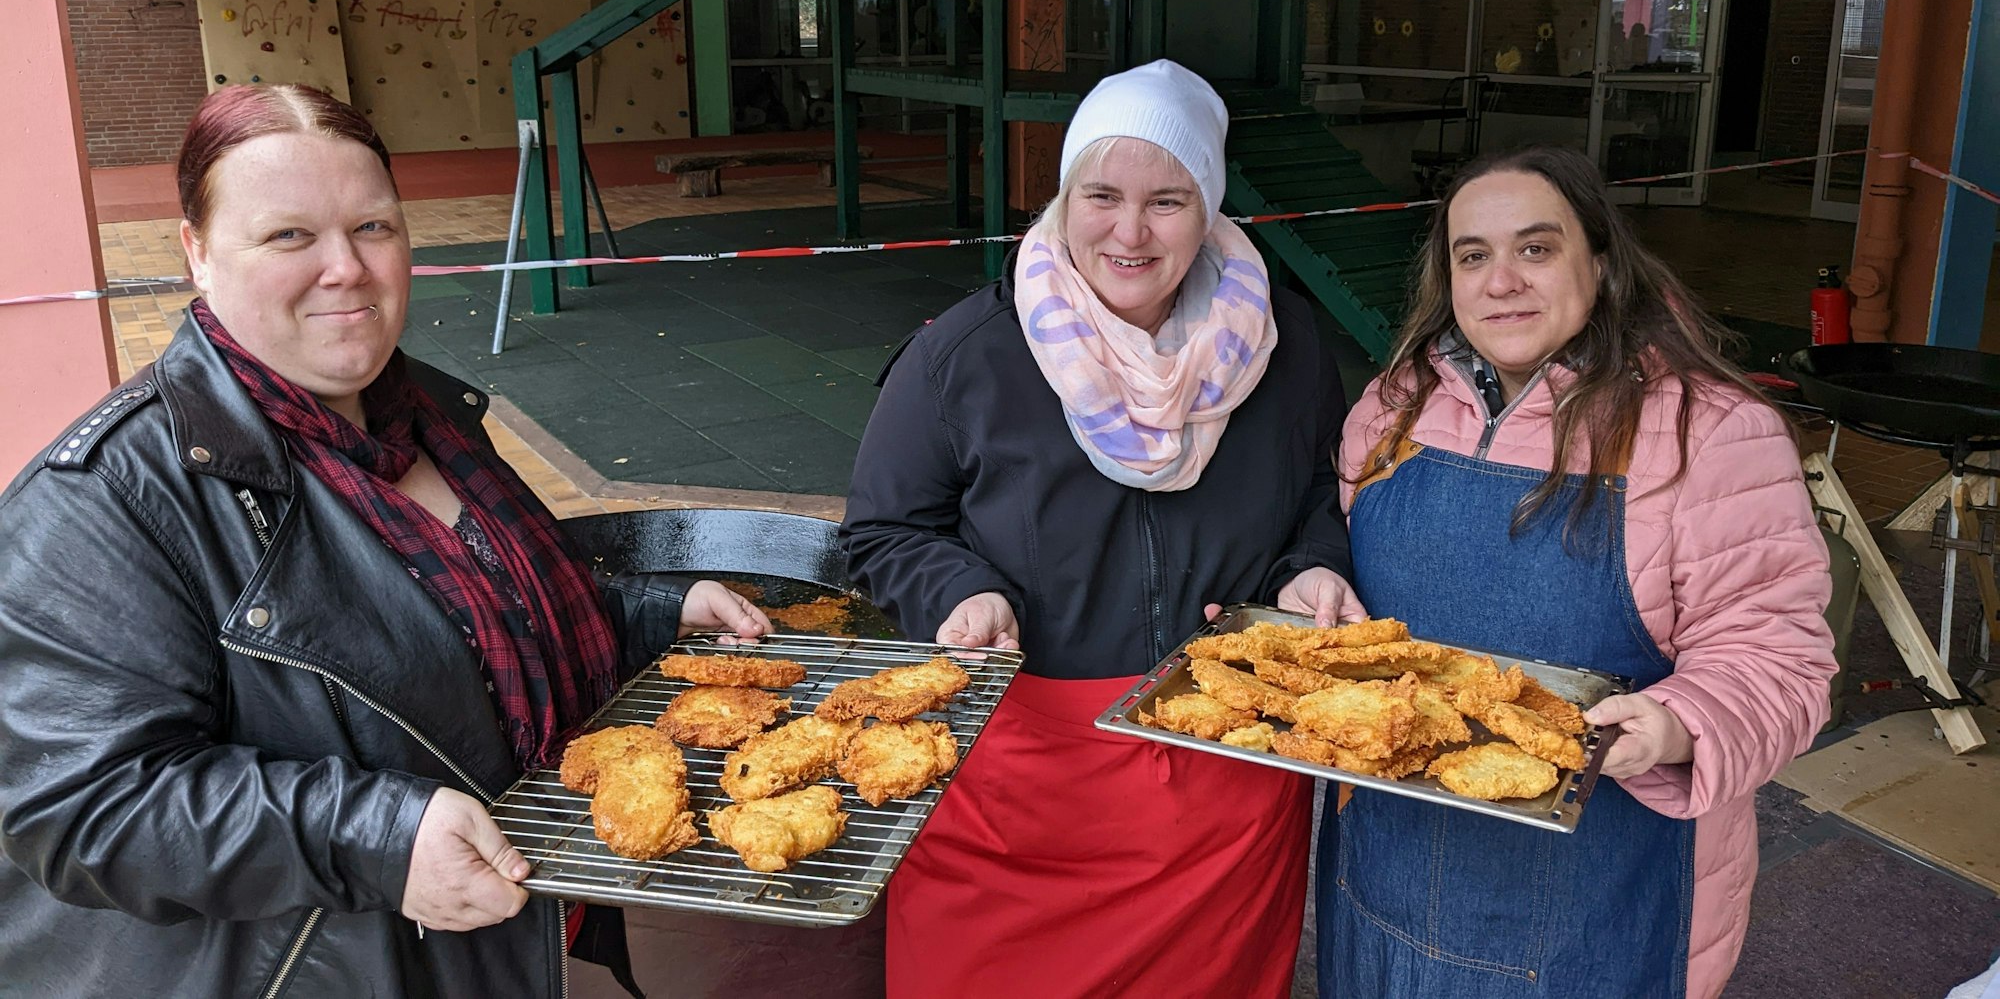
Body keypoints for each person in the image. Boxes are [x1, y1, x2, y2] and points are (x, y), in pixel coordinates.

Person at [0, 84, 770, 997]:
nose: (347, 268)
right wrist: (378, 838)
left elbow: (473, 623)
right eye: (289, 235)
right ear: (197, 253)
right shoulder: (105, 497)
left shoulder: (427, 414)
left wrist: (653, 616)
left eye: (373, 227)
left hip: (512, 943)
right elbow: (83, 807)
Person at [839, 59, 1362, 997]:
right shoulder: (964, 355)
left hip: (1224, 779)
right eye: (1103, 195)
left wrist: (1311, 563)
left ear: (1209, 206)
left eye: (1167, 201)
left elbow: (1321, 487)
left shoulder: (1287, 345)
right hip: (1017, 784)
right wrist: (963, 589)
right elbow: (882, 529)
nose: (1130, 231)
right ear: (1064, 196)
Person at [1320, 145, 1837, 999]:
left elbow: (1779, 655)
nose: (1502, 281)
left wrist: (1680, 724)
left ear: (1599, 260)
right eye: (1473, 255)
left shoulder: (1709, 432)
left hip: (1601, 900)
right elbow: (1346, 561)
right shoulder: (1393, 407)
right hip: (1386, 869)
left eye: (1536, 247)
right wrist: (1315, 580)